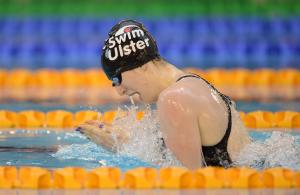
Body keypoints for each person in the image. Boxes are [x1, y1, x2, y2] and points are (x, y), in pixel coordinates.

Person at [77, 20, 251, 169]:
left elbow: (185, 181)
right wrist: (125, 141)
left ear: (140, 65)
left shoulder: (174, 99)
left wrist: (122, 149)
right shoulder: (190, 83)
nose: (119, 91)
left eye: (117, 78)